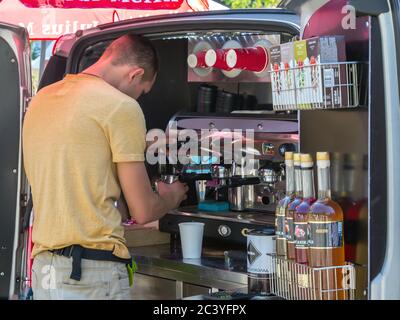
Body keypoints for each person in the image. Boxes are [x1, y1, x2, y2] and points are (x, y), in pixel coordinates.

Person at [22, 34, 188, 300]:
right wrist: (170, 197)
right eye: (142, 91)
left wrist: (138, 144)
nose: (139, 98)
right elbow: (143, 211)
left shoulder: (43, 99)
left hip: (45, 268)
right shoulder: (122, 107)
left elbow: (79, 161)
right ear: (135, 75)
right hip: (92, 273)